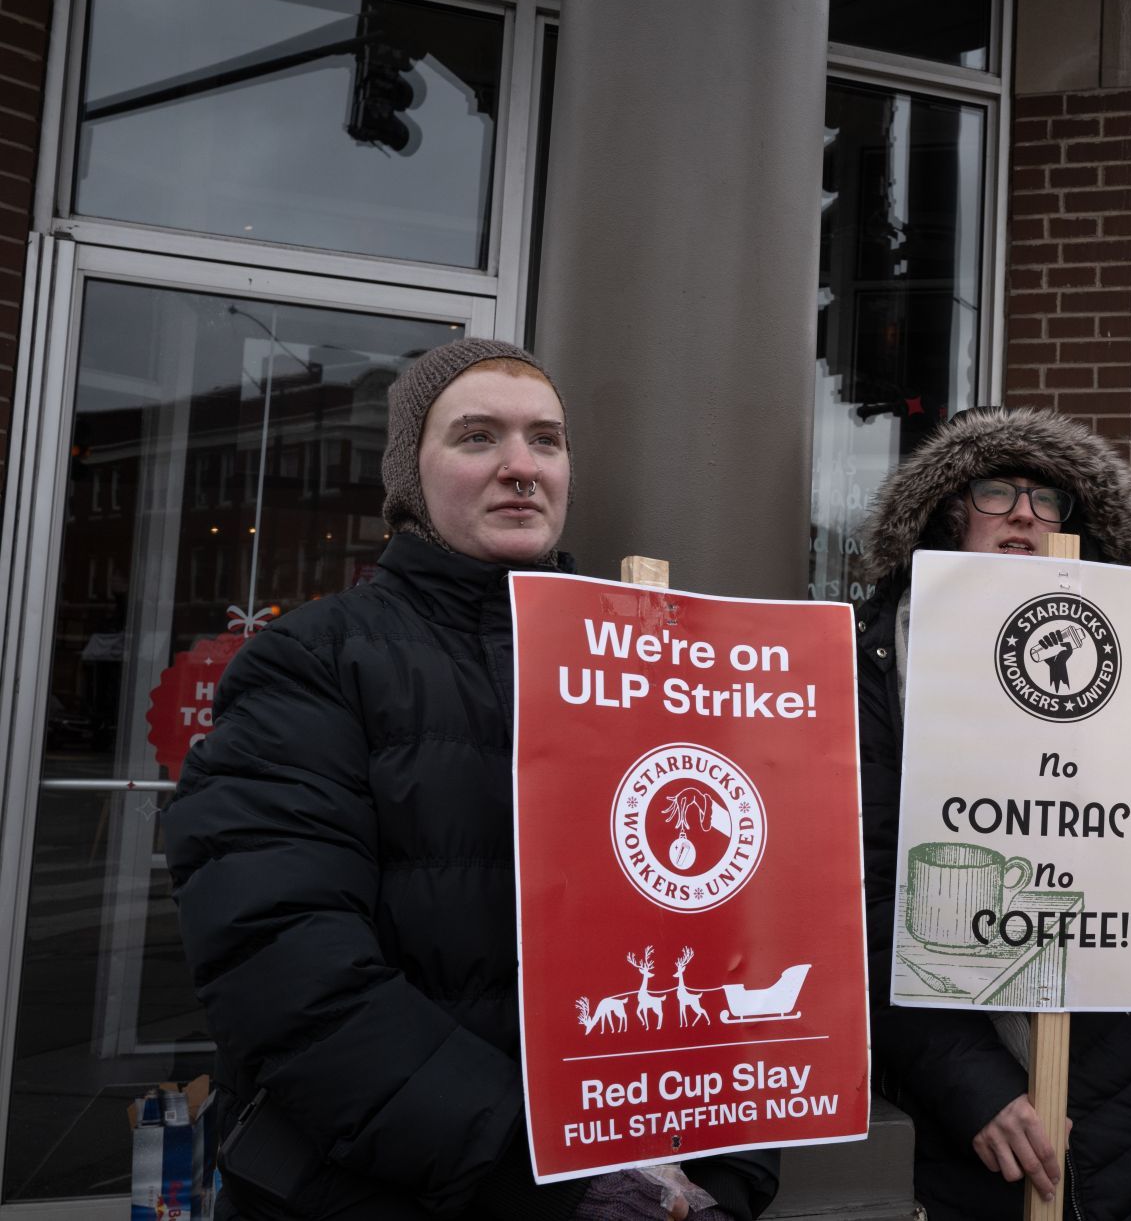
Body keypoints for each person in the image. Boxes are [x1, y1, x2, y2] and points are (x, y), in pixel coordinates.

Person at [162, 339, 776, 1221]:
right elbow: (286, 965)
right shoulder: (312, 662)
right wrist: (544, 1168)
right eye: (479, 436)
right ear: (411, 477)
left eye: (547, 440)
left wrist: (731, 1167)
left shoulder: (652, 668)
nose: (522, 466)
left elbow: (734, 929)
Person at [855, 407, 1131, 1221]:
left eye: (1050, 501)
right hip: (948, 1097)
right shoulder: (861, 672)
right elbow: (851, 900)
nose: (1023, 513)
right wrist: (970, 1080)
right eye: (996, 489)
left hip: (1107, 1088)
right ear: (949, 510)